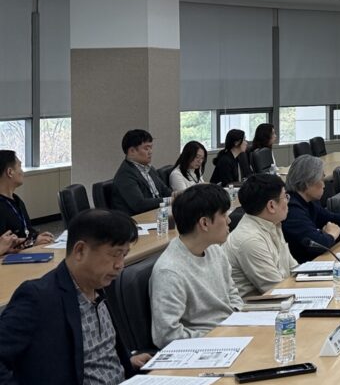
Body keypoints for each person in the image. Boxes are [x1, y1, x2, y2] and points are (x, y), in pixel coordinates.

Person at [0, 209, 150, 385]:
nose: (120, 264)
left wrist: (125, 359)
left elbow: (92, 348)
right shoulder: (38, 297)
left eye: (125, 254)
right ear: (80, 250)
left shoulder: (98, 285)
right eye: (115, 254)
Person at [149, 184, 243, 347]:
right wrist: (218, 336)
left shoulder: (214, 249)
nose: (229, 220)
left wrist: (236, 320)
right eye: (223, 214)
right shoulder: (169, 271)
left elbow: (232, 293)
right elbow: (166, 335)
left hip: (232, 333)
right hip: (205, 346)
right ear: (204, 223)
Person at [282, 155, 340, 263]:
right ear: (307, 182)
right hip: (306, 265)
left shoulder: (308, 201)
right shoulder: (292, 210)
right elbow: (317, 244)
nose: (324, 185)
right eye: (321, 179)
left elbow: (327, 216)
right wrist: (331, 234)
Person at [225, 174, 297, 298]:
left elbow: (294, 270)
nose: (287, 201)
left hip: (280, 300)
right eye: (285, 196)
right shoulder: (250, 240)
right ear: (271, 206)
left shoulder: (272, 224)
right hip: (256, 307)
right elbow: (277, 290)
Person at [0, 150, 55, 249]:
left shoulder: (17, 200)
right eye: (20, 166)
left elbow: (25, 230)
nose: (22, 172)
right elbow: (5, 246)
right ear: (10, 172)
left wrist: (36, 237)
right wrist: (31, 242)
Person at [111, 129, 171, 215]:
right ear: (132, 151)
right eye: (146, 148)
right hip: (138, 219)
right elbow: (140, 205)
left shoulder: (149, 169)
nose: (150, 152)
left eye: (151, 148)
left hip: (157, 213)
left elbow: (164, 190)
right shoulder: (125, 175)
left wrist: (178, 195)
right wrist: (170, 200)